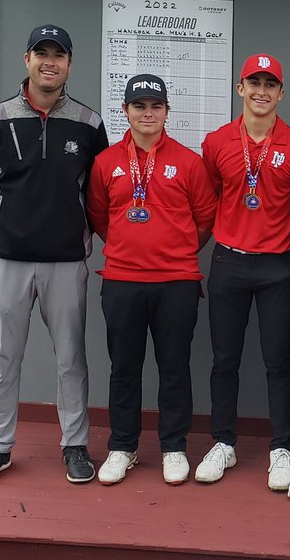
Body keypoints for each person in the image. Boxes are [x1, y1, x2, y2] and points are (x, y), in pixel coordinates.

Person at [0, 25, 109, 488]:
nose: (50, 62)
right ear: (27, 59)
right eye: (41, 53)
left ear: (70, 63)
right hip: (9, 261)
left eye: (59, 55)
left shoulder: (88, 124)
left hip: (67, 261)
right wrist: (11, 234)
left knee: (71, 358)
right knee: (6, 356)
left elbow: (100, 192)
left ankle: (74, 445)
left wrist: (70, 232)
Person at [86, 74, 216, 486]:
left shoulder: (188, 161)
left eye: (155, 106)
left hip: (176, 281)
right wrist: (130, 247)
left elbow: (205, 219)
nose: (147, 113)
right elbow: (99, 216)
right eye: (139, 106)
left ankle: (174, 446)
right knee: (124, 368)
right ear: (125, 110)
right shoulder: (105, 162)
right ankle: (122, 446)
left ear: (166, 112)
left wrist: (173, 250)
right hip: (122, 280)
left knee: (174, 367)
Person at [196, 54, 290, 491]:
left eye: (270, 83)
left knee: (277, 360)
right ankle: (223, 441)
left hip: (279, 265)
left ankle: (281, 448)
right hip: (228, 261)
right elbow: (211, 199)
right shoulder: (217, 141)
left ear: (281, 93)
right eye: (253, 82)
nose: (261, 91)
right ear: (239, 88)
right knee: (224, 358)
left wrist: (279, 245)